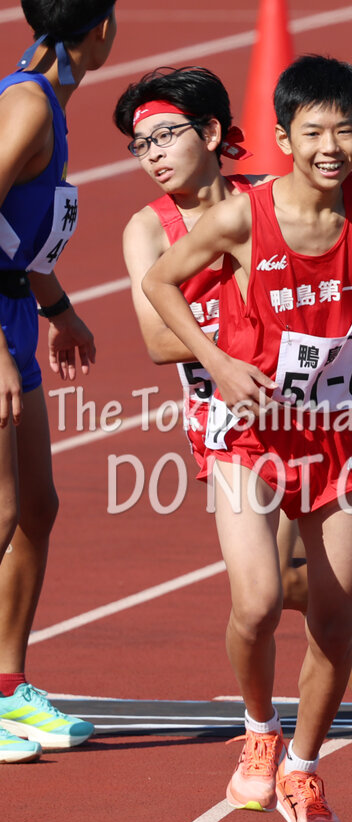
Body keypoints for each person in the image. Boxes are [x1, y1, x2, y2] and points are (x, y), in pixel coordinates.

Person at [137, 58, 352, 822]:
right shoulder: (239, 219)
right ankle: (259, 729)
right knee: (258, 601)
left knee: (333, 618)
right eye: (313, 132)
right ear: (282, 138)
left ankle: (304, 772)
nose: (330, 145)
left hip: (337, 438)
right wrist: (217, 360)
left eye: (345, 129)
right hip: (250, 435)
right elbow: (161, 287)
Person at [0, 0, 117, 764]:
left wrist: (59, 308)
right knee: (1, 510)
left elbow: (15, 233)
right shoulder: (27, 106)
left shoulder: (46, 100)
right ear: (102, 28)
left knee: (36, 507)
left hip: (15, 312)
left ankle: (7, 686)